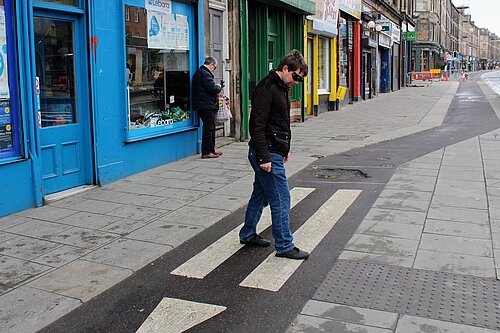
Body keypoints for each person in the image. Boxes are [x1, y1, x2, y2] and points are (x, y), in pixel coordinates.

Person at [239, 50, 309, 260]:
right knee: (281, 198)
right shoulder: (267, 89)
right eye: (296, 76)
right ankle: (284, 245)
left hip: (273, 151)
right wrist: (265, 158)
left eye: (300, 79)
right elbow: (257, 126)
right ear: (285, 68)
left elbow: (279, 123)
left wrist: (283, 150)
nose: (296, 82)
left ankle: (248, 233)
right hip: (266, 152)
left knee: (260, 195)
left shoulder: (281, 87)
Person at [192, 56, 224, 159]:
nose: (214, 69)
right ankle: (206, 152)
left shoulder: (201, 73)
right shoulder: (204, 73)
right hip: (206, 106)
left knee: (211, 128)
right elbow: (212, 88)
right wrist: (219, 87)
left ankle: (211, 149)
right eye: (214, 67)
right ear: (211, 65)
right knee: (208, 128)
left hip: (206, 104)